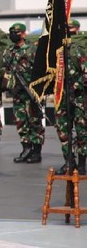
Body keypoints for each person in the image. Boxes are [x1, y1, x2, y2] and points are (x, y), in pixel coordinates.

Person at [2, 22, 44, 163]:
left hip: (32, 91)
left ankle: (36, 151)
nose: (14, 34)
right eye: (12, 32)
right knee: (21, 121)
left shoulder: (32, 49)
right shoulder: (9, 51)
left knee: (34, 121)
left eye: (17, 32)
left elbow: (40, 70)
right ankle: (26, 148)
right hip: (17, 92)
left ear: (24, 34)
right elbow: (6, 70)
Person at [54, 19, 87, 175]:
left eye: (71, 28)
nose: (68, 30)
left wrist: (75, 86)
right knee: (62, 129)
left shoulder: (78, 50)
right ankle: (69, 161)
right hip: (61, 96)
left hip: (79, 96)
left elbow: (85, 73)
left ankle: (81, 163)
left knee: (81, 130)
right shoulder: (59, 51)